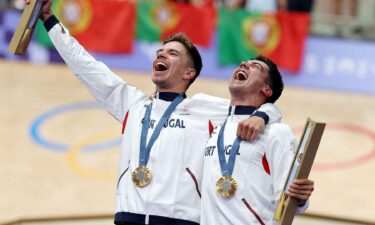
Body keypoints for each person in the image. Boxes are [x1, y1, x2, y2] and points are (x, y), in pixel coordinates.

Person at [28, 0, 282, 224]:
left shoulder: (204, 108)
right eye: (161, 51)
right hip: (128, 216)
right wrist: (50, 20)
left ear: (188, 72)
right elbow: (85, 65)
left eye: (173, 53)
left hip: (180, 220)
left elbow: (263, 106)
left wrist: (261, 116)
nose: (161, 54)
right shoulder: (133, 104)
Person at [201, 56, 314, 225]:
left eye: (255, 67)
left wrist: (301, 197)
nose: (243, 64)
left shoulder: (276, 132)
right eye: (243, 63)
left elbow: (289, 204)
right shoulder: (215, 124)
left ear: (267, 90)